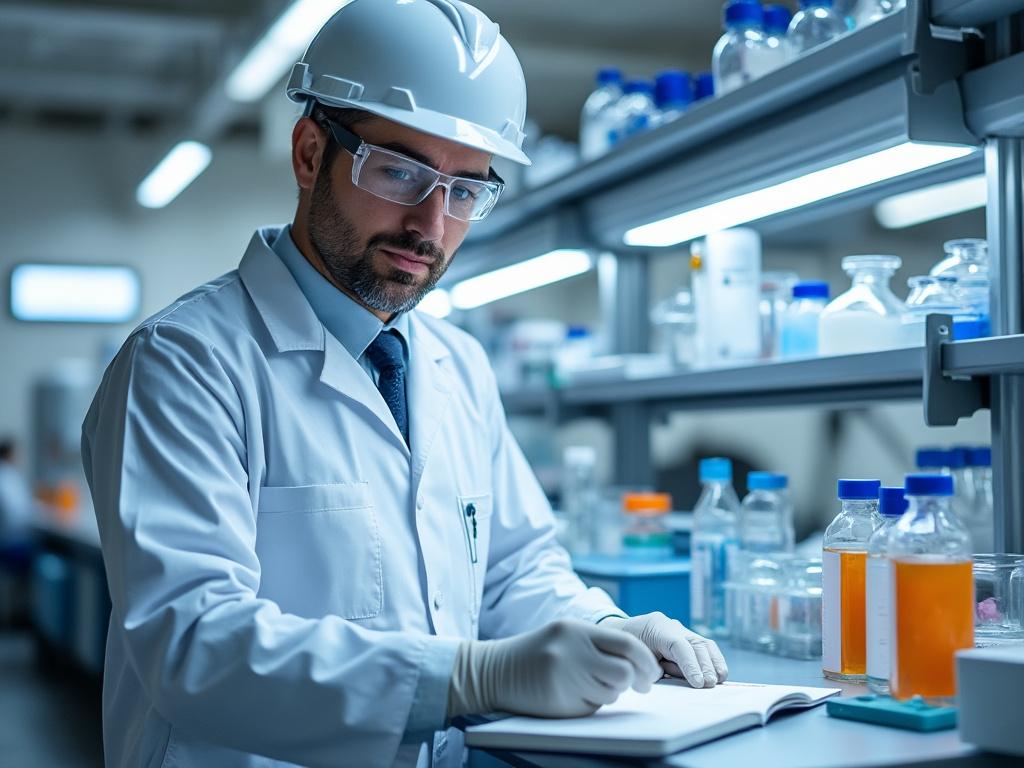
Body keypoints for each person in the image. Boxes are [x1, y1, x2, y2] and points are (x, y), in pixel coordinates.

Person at [81, 2, 728, 767]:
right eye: (400, 171)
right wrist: (467, 676)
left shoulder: (459, 365)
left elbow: (516, 569)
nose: (431, 224)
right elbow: (192, 644)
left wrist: (607, 630)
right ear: (309, 153)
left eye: (466, 190)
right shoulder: (185, 362)